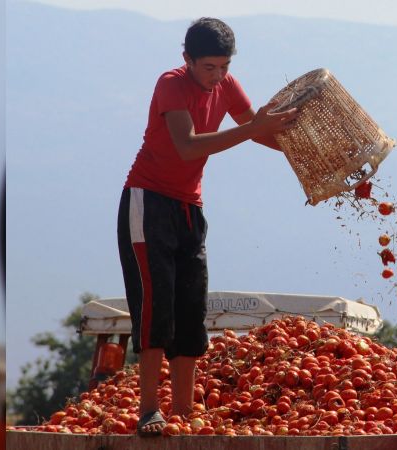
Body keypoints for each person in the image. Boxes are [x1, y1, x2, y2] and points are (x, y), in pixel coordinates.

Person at [116, 17, 298, 436]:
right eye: (209, 68)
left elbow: (260, 132)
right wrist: (253, 127)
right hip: (148, 201)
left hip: (189, 209)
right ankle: (149, 410)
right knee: (155, 306)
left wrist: (306, 152)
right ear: (188, 59)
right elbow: (188, 146)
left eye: (224, 68)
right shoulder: (170, 84)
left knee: (190, 309)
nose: (218, 77)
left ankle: (181, 412)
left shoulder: (227, 87)